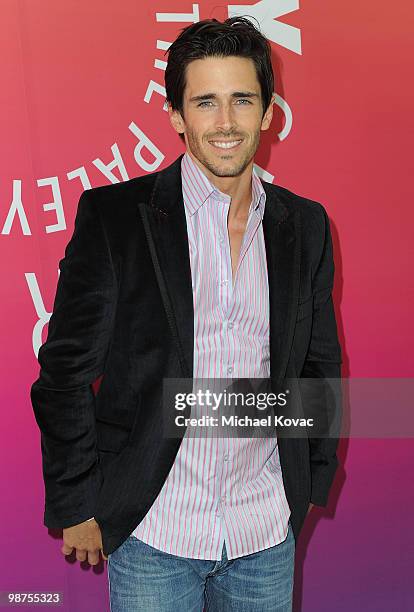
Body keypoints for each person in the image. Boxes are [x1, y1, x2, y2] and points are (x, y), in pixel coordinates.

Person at [31, 16, 342, 612]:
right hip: (154, 531)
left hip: (264, 535)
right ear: (176, 116)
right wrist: (77, 505)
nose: (225, 123)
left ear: (268, 112)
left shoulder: (304, 225)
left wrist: (305, 486)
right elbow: (64, 374)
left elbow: (318, 363)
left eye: (242, 100)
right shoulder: (117, 218)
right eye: (205, 103)